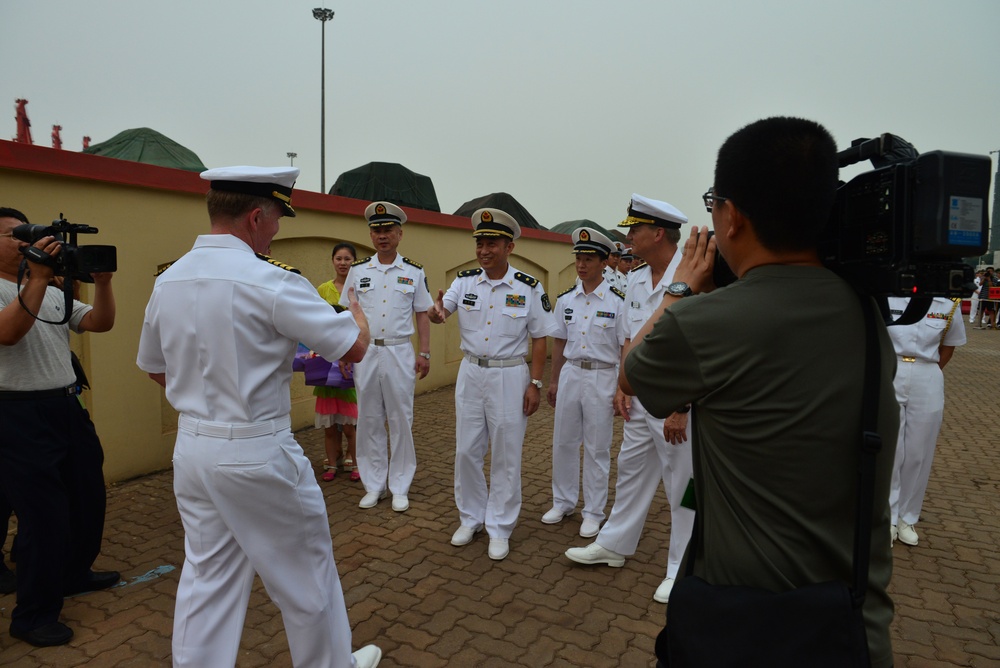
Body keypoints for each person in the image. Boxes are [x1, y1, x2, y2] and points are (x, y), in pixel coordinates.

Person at [620, 117, 898, 667]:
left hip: (745, 628)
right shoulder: (867, 312)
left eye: (713, 205)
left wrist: (683, 288)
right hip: (848, 628)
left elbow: (632, 371)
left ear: (732, 216)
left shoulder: (706, 320)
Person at [136, 167, 381, 668]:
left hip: (194, 450)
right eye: (274, 221)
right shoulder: (271, 280)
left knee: (208, 578)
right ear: (254, 216)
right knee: (306, 577)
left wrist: (208, 404)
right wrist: (356, 313)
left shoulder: (170, 278)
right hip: (257, 452)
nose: (274, 233)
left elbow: (155, 369)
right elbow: (352, 348)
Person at [565, 194, 694, 605]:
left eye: (635, 229)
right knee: (632, 470)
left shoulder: (692, 278)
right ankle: (615, 544)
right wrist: (623, 385)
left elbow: (701, 350)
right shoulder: (636, 279)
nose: (628, 236)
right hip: (641, 403)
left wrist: (683, 407)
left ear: (658, 233)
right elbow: (628, 340)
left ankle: (683, 568)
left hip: (679, 406)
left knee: (683, 486)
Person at [0, 206, 120, 647]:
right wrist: (37, 277)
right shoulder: (31, 285)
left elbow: (99, 323)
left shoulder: (49, 288)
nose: (24, 241)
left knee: (87, 499)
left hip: (66, 407)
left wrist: (103, 283)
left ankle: (73, 574)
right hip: (16, 413)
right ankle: (32, 616)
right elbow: (8, 333)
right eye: (13, 235)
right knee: (43, 517)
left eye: (25, 233)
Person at [428, 208, 558, 561]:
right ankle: (471, 518)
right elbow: (443, 311)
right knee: (467, 451)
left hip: (510, 374)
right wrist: (436, 313)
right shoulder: (465, 281)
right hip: (471, 373)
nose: (484, 250)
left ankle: (500, 526)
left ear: (509, 246)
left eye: (492, 243)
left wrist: (534, 382)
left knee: (505, 453)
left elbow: (541, 337)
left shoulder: (528, 287)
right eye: (480, 243)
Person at [339, 202, 432, 512]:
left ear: (399, 234)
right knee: (368, 418)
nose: (382, 235)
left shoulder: (414, 272)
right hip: (365, 352)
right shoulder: (358, 270)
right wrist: (343, 349)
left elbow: (422, 315)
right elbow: (348, 314)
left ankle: (400, 485)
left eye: (388, 230)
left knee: (400, 418)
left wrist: (424, 352)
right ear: (370, 233)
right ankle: (374, 484)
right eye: (377, 230)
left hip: (399, 350)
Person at [543, 227, 626, 538]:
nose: (581, 264)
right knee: (563, 441)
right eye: (578, 257)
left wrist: (622, 388)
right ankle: (563, 502)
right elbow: (558, 342)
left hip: (603, 375)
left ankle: (593, 511)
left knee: (596, 447)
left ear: (604, 262)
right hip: (571, 373)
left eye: (588, 258)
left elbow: (623, 348)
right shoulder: (566, 299)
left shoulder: (618, 301)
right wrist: (553, 381)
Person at [887, 296, 966, 547]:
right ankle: (886, 517)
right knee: (891, 450)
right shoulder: (886, 295)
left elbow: (949, 346)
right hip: (891, 370)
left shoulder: (947, 303)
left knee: (919, 452)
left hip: (927, 373)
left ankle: (906, 518)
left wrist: (928, 372)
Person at [316, 242, 360, 483]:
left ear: (354, 261)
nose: (343, 263)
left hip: (353, 358)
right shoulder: (323, 289)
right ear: (333, 261)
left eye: (348, 259)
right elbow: (316, 322)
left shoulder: (359, 289)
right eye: (339, 258)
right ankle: (333, 463)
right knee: (330, 423)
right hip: (328, 359)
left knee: (351, 423)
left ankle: (356, 461)